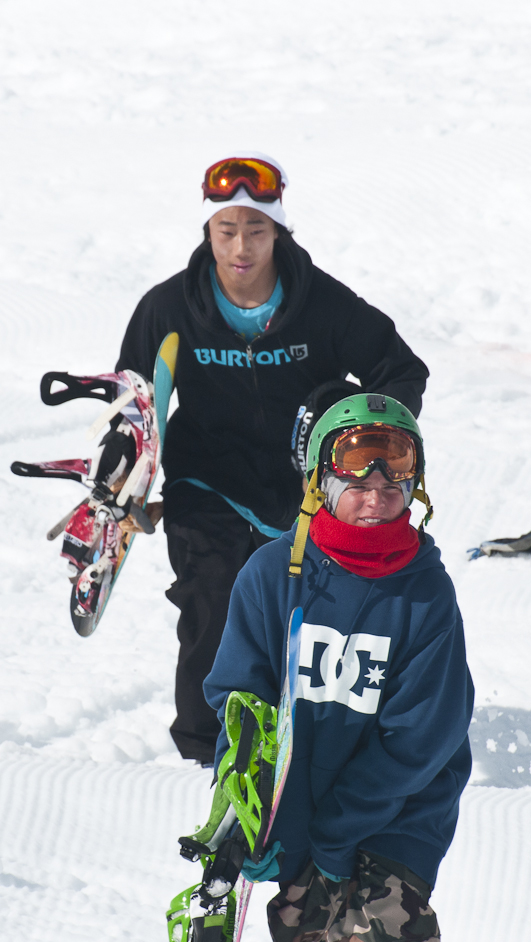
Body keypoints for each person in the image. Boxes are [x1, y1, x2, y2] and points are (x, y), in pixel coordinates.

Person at [114, 153, 429, 765]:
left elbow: (401, 371)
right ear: (208, 231)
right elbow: (134, 402)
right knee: (211, 601)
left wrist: (355, 436)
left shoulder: (324, 304)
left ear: (279, 230)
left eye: (257, 229)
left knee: (308, 615)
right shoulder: (169, 308)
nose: (242, 247)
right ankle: (203, 752)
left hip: (303, 490)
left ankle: (314, 732)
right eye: (227, 230)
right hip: (207, 482)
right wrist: (123, 482)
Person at [204, 393, 474, 942]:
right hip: (300, 816)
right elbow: (241, 706)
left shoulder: (426, 594)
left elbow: (422, 737)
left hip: (396, 817)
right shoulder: (273, 576)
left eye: (393, 480)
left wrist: (337, 830)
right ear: (321, 483)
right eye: (357, 479)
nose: (377, 496)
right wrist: (250, 814)